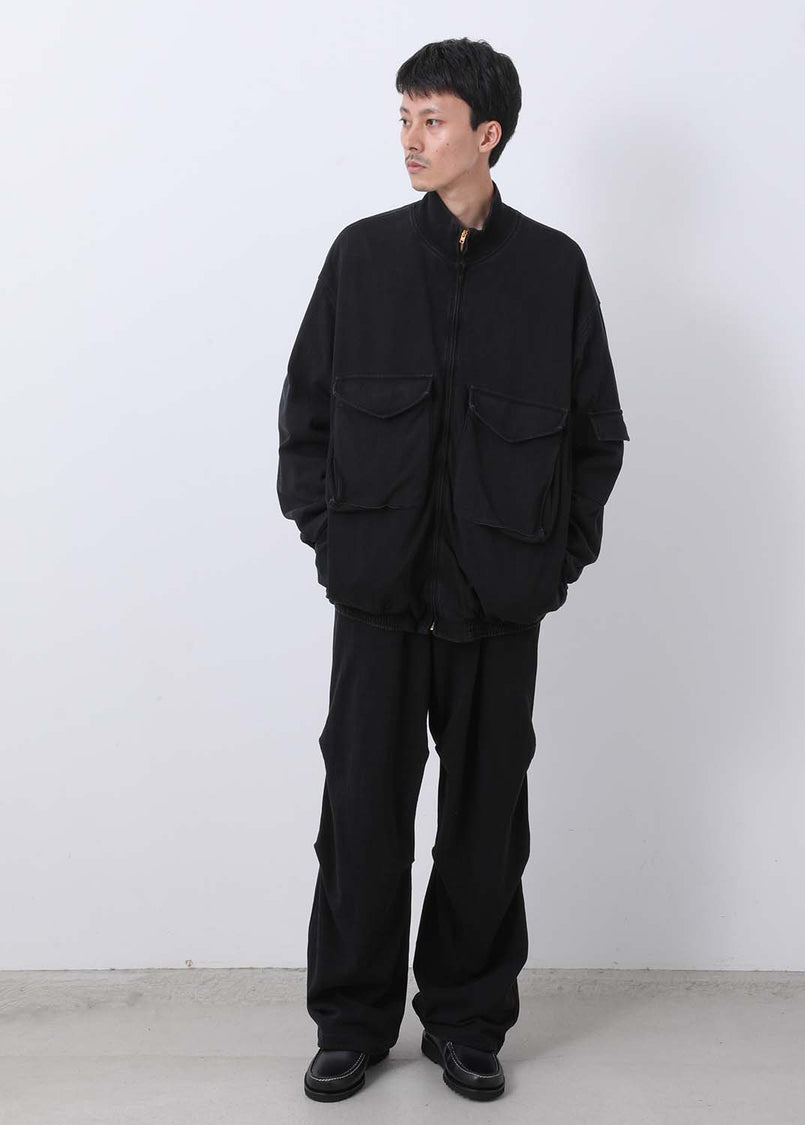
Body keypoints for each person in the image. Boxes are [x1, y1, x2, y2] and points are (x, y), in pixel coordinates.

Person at [277, 36, 630, 1103]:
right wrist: (336, 540)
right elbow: (306, 420)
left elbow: (596, 439)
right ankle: (351, 1022)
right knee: (361, 821)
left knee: (485, 828)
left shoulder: (554, 271)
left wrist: (550, 564)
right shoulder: (364, 258)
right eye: (404, 118)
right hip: (377, 599)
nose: (411, 140)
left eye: (432, 121)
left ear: (489, 134)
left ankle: (467, 1022)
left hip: (496, 603)